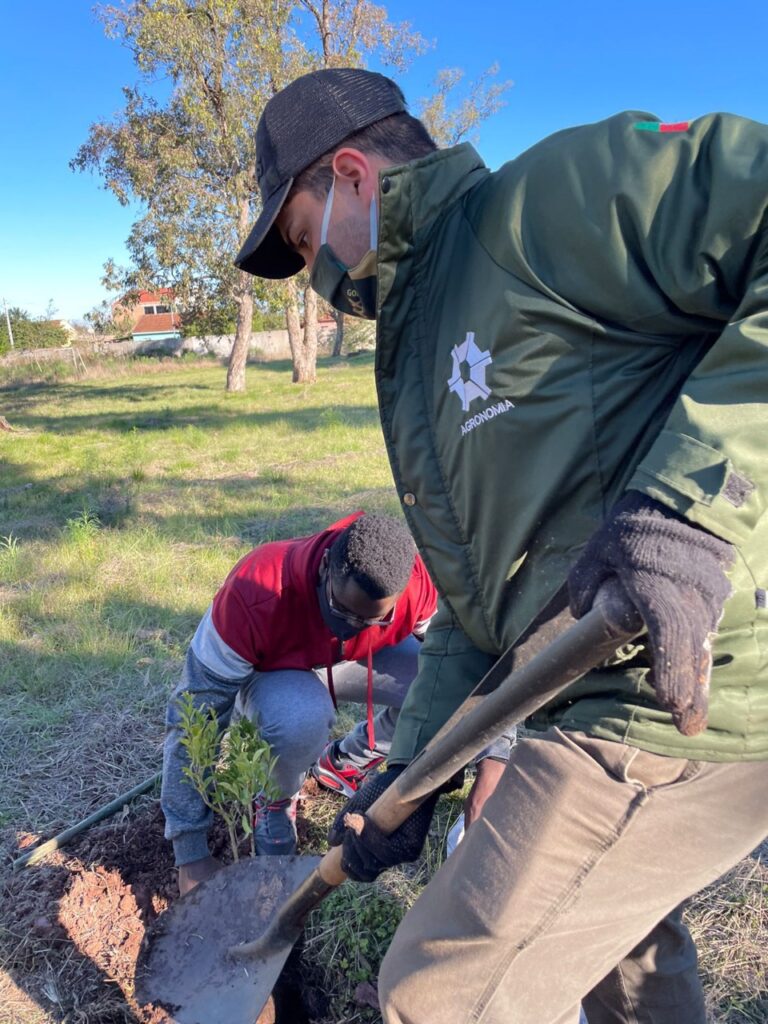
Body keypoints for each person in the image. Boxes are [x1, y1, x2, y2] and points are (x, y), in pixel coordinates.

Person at [235, 67, 768, 1024]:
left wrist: (691, 509)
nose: (322, 284)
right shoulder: (422, 341)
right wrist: (411, 771)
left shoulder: (547, 203)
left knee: (437, 999)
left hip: (672, 690)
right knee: (625, 955)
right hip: (585, 688)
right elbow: (485, 603)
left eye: (310, 246)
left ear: (353, 174)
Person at [162, 510, 512, 896]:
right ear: (327, 566)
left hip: (348, 662)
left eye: (374, 619)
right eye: (343, 611)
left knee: (435, 685)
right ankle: (276, 802)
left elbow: (472, 667)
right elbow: (195, 716)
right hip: (273, 673)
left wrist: (494, 761)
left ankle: (342, 763)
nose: (354, 626)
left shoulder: (412, 585)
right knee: (302, 718)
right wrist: (190, 852)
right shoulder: (254, 592)